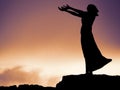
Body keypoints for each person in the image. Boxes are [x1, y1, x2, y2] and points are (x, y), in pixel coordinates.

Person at [58, 4, 112, 75]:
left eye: (88, 8)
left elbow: (78, 12)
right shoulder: (88, 15)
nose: (87, 9)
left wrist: (69, 8)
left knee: (87, 53)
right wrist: (67, 10)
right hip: (85, 35)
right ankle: (89, 70)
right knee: (87, 53)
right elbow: (77, 13)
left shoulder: (90, 15)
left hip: (87, 35)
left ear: (91, 10)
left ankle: (89, 71)